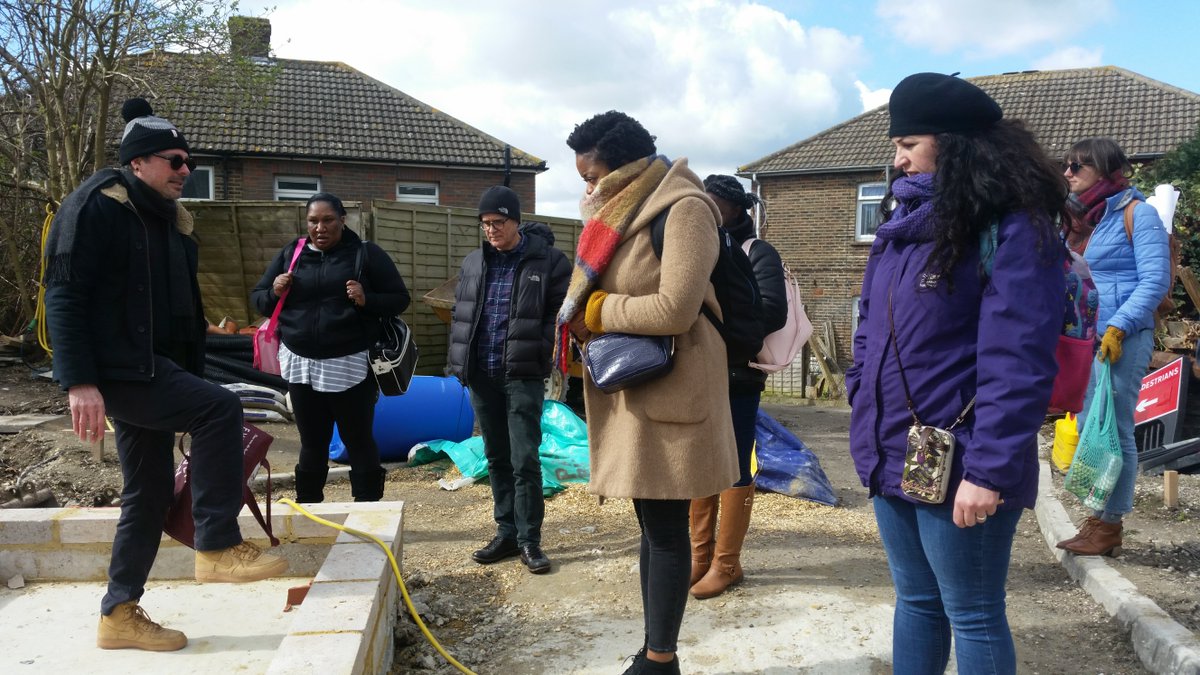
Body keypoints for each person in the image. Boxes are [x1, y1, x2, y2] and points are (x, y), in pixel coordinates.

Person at [43, 98, 287, 653]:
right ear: (138, 162)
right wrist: (79, 381)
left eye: (188, 162)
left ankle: (118, 614)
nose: (185, 170)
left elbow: (175, 310)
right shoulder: (96, 207)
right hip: (119, 369)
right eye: (174, 161)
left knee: (148, 494)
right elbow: (64, 294)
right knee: (218, 408)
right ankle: (217, 546)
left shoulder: (170, 220)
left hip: (153, 366)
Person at [845, 74, 1067, 674]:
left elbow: (1018, 360)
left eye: (909, 144)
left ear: (955, 145)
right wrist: (860, 393)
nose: (898, 160)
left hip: (965, 458)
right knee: (916, 601)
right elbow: (869, 326)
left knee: (972, 612)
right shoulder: (900, 229)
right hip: (894, 449)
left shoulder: (1014, 229)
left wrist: (988, 471)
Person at [561, 111, 739, 675]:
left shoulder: (684, 209)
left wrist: (595, 310)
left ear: (623, 170)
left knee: (664, 532)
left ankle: (661, 659)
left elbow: (675, 309)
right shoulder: (620, 213)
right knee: (652, 528)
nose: (588, 190)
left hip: (671, 393)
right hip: (633, 389)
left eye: (592, 177)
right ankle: (653, 650)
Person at [250, 192, 410, 503]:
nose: (320, 228)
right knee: (312, 441)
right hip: (301, 365)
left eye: (328, 220)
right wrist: (274, 291)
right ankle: (308, 505)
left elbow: (400, 299)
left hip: (349, 364)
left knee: (357, 439)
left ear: (342, 220)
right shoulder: (292, 253)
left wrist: (367, 299)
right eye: (313, 221)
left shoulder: (366, 254)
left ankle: (368, 509)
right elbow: (259, 299)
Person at [1054, 138, 1170, 556]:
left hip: (1121, 338)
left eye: (1078, 166)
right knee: (1091, 427)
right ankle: (1097, 517)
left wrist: (1119, 327)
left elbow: (1155, 280)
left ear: (1105, 170)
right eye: (1067, 165)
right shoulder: (1077, 218)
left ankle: (1110, 525)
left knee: (1116, 430)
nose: (1068, 172)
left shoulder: (1138, 214)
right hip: (1086, 339)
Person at [448, 186, 570, 574]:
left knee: (524, 459)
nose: (491, 230)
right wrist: (460, 363)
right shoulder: (474, 262)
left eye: (498, 222)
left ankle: (530, 541)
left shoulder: (549, 261)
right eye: (485, 224)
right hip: (482, 374)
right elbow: (461, 313)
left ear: (516, 221)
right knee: (496, 457)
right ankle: (506, 533)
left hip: (523, 375)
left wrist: (541, 353)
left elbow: (559, 315)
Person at [688, 174, 788, 599]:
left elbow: (773, 311)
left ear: (734, 208)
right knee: (700, 462)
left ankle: (727, 563)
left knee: (735, 464)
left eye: (712, 203)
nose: (704, 210)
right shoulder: (700, 245)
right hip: (700, 374)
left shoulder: (757, 250)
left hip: (738, 375)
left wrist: (717, 333)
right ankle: (700, 556)